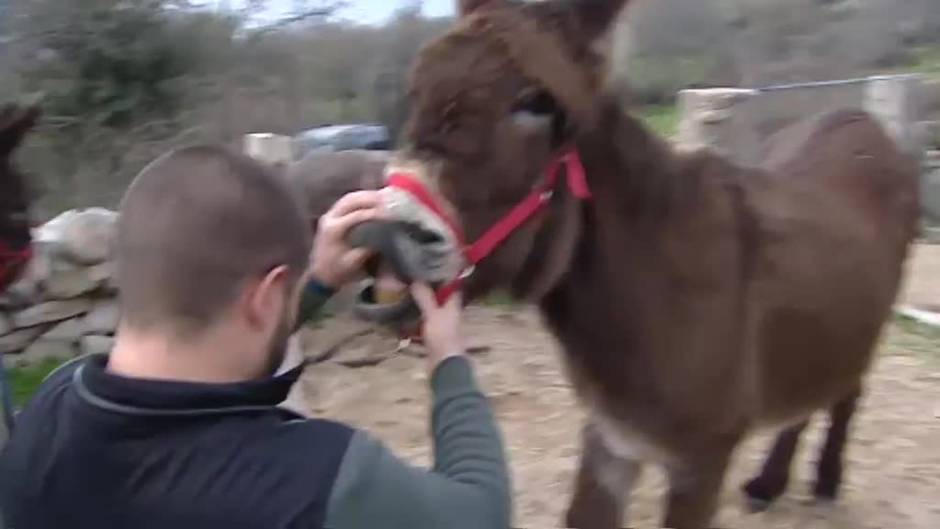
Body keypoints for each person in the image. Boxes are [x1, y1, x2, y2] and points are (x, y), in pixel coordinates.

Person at [0, 145, 511, 529]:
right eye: (284, 294)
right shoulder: (317, 483)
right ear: (264, 299)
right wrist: (450, 359)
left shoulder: (51, 406)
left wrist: (312, 284)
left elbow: (214, 354)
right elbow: (482, 512)